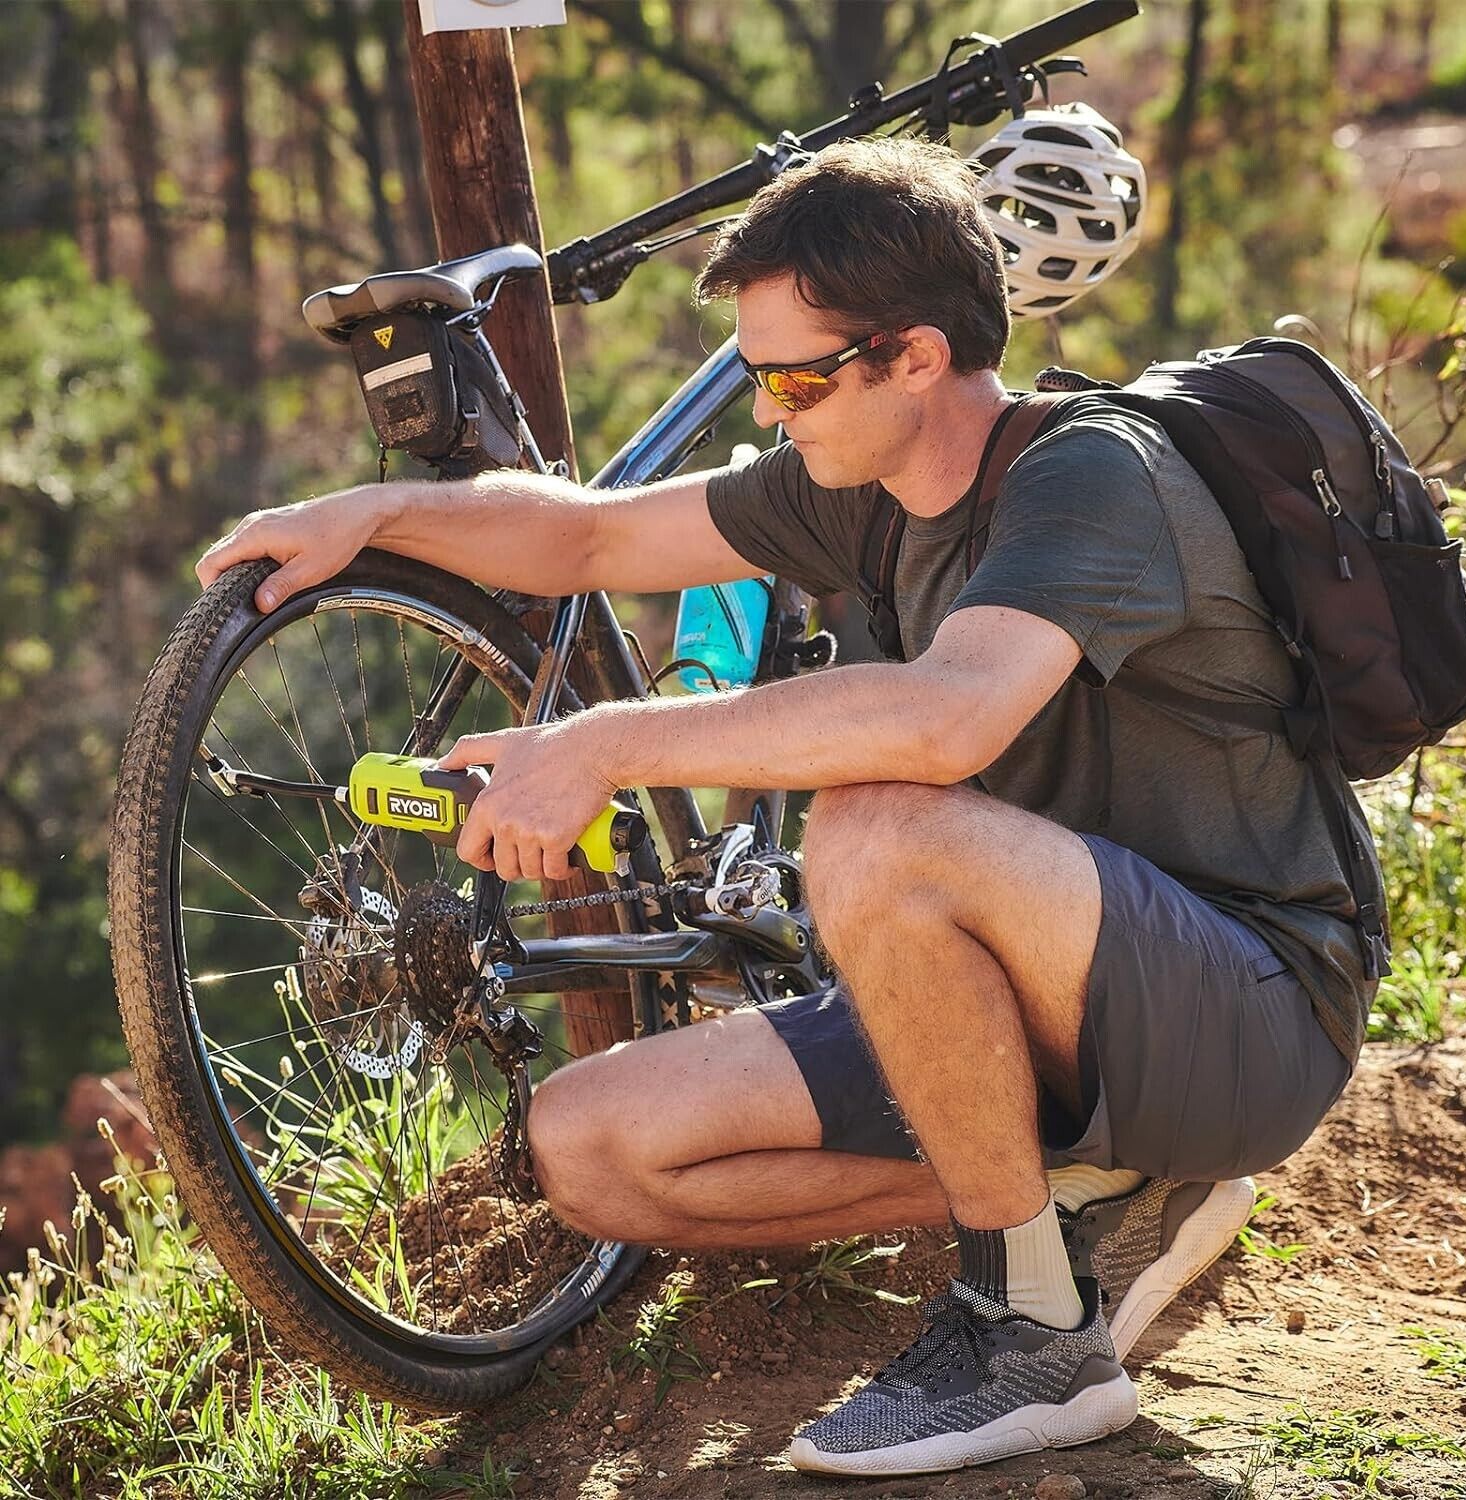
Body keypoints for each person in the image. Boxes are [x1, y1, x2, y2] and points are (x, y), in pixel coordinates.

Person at [198, 137, 1377, 1479]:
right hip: (1031, 1002)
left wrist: (609, 744)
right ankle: (1089, 1192)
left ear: (917, 357)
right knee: (591, 1149)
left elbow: (949, 717)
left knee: (875, 826)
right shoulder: (855, 492)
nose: (769, 410)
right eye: (758, 375)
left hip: (1250, 1003)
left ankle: (1033, 1333)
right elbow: (590, 536)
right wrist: (369, 515)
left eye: (799, 378)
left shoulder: (1093, 473)